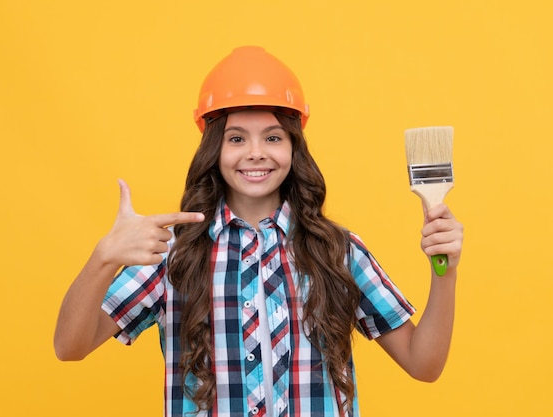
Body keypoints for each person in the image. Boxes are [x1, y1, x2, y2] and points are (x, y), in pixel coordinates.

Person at [54, 46, 463, 417]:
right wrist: (104, 257)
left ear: (293, 148)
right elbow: (70, 348)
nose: (255, 152)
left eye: (272, 137)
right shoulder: (172, 254)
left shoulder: (337, 251)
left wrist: (445, 269)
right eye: (236, 138)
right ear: (214, 150)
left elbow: (423, 364)